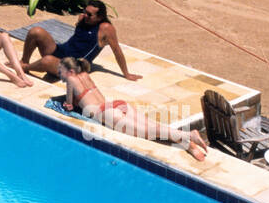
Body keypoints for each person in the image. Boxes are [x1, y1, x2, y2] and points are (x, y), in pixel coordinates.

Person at [53, 57, 208, 161]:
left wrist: (69, 104)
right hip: (117, 105)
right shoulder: (85, 74)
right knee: (153, 126)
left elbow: (69, 106)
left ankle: (190, 135)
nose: (60, 73)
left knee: (148, 132)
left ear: (70, 71)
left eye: (61, 71)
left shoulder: (71, 80)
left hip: (106, 113)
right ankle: (189, 145)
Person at [20, 0, 141, 81]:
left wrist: (126, 74)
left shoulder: (106, 29)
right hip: (61, 52)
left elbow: (117, 51)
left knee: (47, 61)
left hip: (75, 66)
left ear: (100, 17)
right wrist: (80, 21)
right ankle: (24, 61)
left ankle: (24, 68)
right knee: (36, 31)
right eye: (85, 12)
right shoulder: (83, 19)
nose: (85, 15)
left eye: (89, 15)